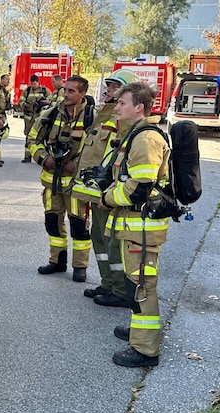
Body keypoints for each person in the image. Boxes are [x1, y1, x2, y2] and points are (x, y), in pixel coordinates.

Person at [100, 82, 171, 367]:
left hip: (142, 228)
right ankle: (140, 331)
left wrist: (107, 197)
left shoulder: (145, 139)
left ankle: (145, 350)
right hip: (135, 226)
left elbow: (140, 188)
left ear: (139, 107)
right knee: (135, 281)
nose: (116, 107)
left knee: (142, 285)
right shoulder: (137, 133)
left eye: (122, 103)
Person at [71, 69, 140, 306]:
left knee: (112, 243)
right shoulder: (105, 113)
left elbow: (118, 157)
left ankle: (119, 289)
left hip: (106, 193)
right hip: (92, 190)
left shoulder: (124, 119)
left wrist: (110, 192)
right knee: (98, 239)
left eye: (114, 87)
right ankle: (108, 282)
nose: (108, 90)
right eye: (108, 86)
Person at [29, 75, 94, 282]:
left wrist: (77, 165)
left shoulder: (93, 117)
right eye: (65, 90)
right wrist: (44, 158)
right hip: (52, 182)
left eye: (71, 91)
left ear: (82, 93)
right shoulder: (51, 114)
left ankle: (80, 266)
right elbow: (32, 139)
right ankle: (57, 261)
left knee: (79, 226)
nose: (66, 94)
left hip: (77, 185)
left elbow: (99, 151)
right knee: (52, 222)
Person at [18, 74, 49, 162]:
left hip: (39, 118)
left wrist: (43, 103)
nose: (33, 86)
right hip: (29, 118)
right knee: (28, 137)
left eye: (34, 84)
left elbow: (51, 102)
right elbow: (20, 102)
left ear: (38, 83)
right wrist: (25, 105)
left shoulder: (45, 90)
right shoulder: (27, 91)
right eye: (32, 84)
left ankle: (41, 157)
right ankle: (27, 156)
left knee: (40, 137)